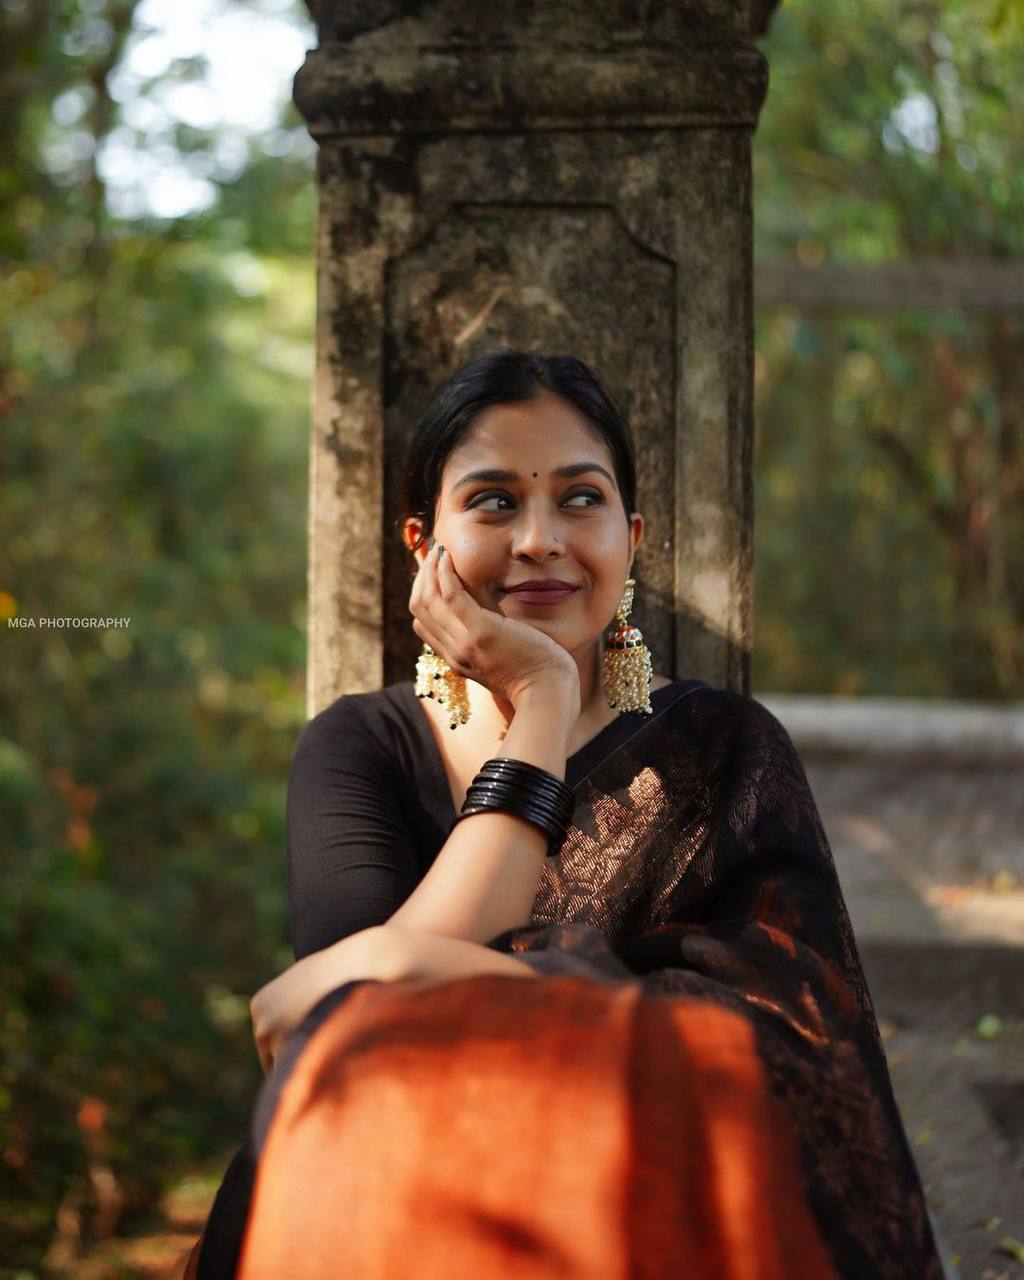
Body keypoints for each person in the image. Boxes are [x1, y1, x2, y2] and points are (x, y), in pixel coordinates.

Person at [185, 348, 945, 1279]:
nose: (540, 536)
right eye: (495, 500)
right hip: (396, 1200)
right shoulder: (360, 745)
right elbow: (357, 1026)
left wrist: (408, 953)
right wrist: (542, 703)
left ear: (631, 536)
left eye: (578, 499)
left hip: (647, 1209)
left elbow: (800, 1046)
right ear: (423, 546)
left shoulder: (726, 748)